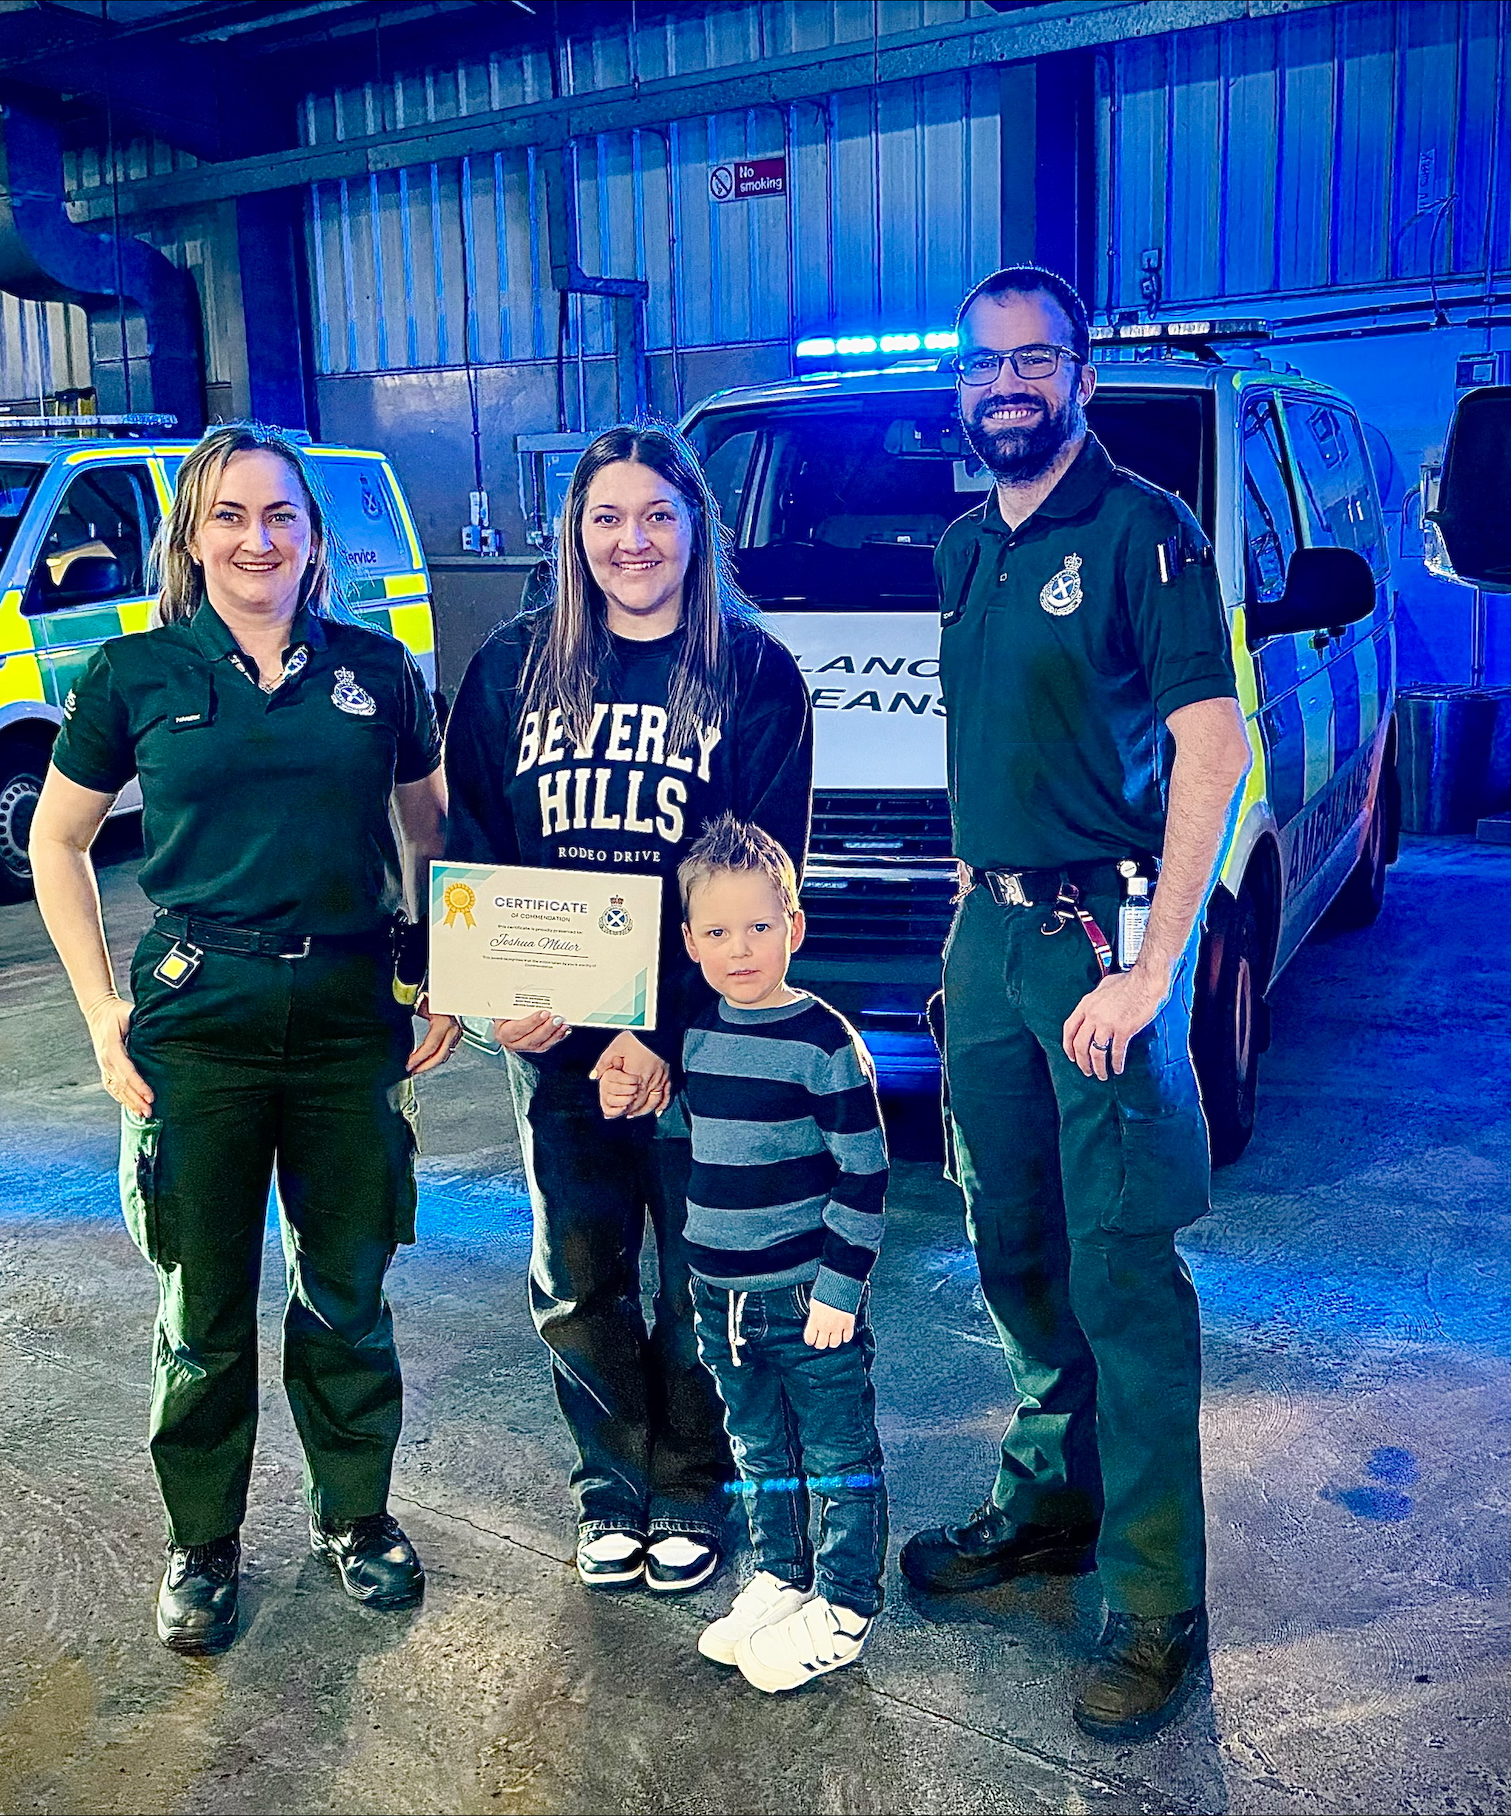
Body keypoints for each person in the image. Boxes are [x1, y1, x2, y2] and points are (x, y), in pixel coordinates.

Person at [31, 423, 460, 1655]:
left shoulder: (378, 672)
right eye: (227, 515)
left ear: (315, 539)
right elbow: (56, 842)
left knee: (345, 1290)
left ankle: (357, 1515)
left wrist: (438, 973)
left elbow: (435, 837)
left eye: (280, 515)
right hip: (197, 1020)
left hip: (344, 1022)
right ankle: (202, 1539)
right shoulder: (134, 676)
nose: (255, 538)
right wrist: (99, 1005)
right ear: (190, 538)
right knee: (203, 1303)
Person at [897, 267, 1253, 1741]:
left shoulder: (1144, 534)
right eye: (984, 363)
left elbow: (1213, 748)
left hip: (1100, 937)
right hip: (987, 939)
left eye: (1035, 361)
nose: (1007, 384)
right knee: (1012, 1242)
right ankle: (1054, 1503)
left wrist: (1152, 968)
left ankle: (1157, 1598)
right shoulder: (965, 547)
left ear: (1081, 380)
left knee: (1123, 1273)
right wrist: (963, 936)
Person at [444, 423, 813, 1595]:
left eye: (657, 513)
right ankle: (612, 1484)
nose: (631, 539)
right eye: (606, 516)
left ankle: (694, 1484)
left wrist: (656, 1031)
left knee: (701, 1272)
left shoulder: (753, 674)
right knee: (577, 1270)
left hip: (699, 1039)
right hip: (554, 1046)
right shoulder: (509, 667)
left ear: (696, 526)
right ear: (573, 534)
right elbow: (475, 849)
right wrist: (500, 994)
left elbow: (762, 877)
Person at [671, 814, 890, 1694]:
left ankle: (844, 1602)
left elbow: (867, 1174)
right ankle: (780, 1573)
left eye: (761, 927)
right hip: (718, 1298)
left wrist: (841, 1288)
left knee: (836, 1450)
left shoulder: (825, 1042)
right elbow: (703, 1146)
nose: (741, 949)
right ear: (688, 942)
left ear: (794, 927)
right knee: (756, 1445)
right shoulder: (695, 1034)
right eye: (718, 932)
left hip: (806, 1299)